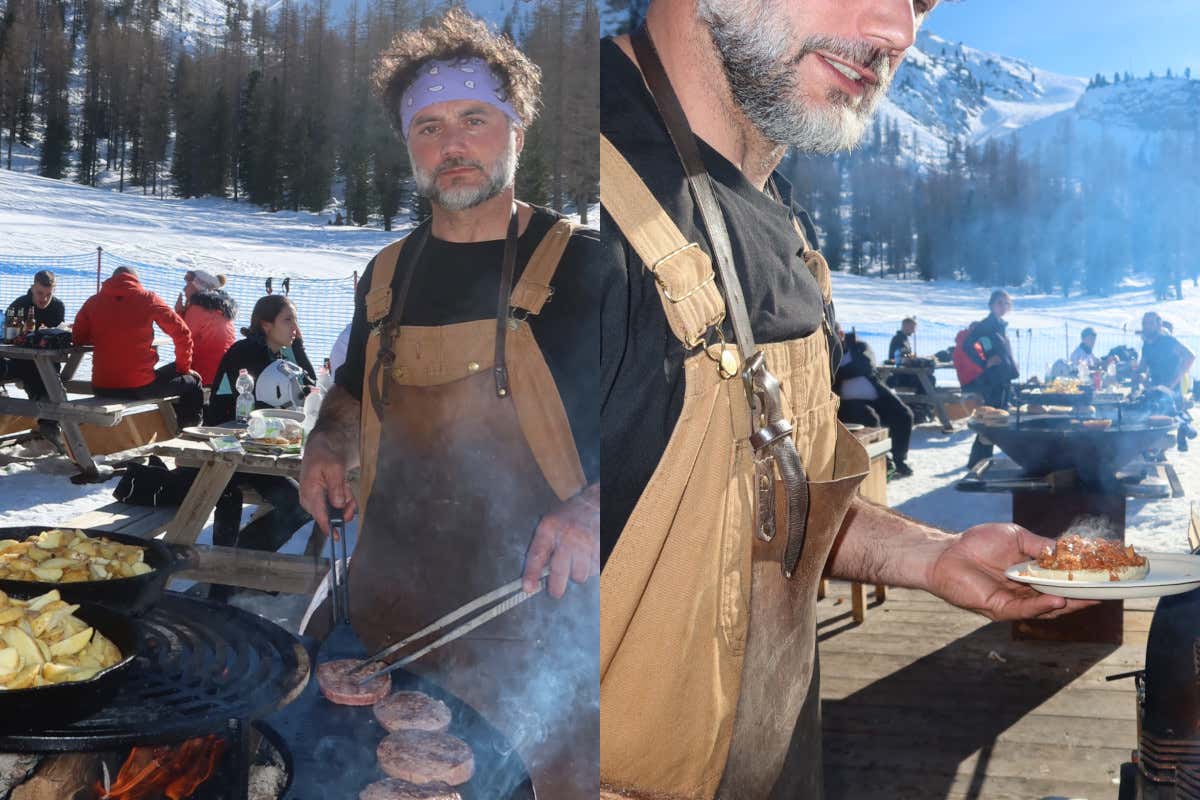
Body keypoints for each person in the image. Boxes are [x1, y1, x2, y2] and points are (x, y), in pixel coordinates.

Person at [598, 3, 1091, 798]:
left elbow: (774, 505)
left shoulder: (779, 217)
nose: (899, 31)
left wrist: (931, 556)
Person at [297, 9, 600, 798]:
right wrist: (328, 442)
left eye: (474, 118)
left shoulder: (590, 272)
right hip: (389, 623)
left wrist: (601, 501)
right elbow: (351, 390)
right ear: (407, 146)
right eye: (428, 127)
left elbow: (675, 431)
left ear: (517, 129)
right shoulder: (385, 275)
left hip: (539, 647)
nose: (452, 144)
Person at [204, 296, 315, 599]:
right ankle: (227, 576)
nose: (295, 328)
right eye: (288, 320)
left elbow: (309, 386)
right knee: (236, 494)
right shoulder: (248, 352)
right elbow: (253, 409)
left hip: (259, 451)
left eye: (295, 321)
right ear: (266, 325)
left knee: (300, 502)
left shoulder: (278, 351)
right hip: (228, 448)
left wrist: (300, 347)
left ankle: (236, 567)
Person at [72, 267, 203, 428]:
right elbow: (182, 333)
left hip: (102, 386)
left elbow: (78, 338)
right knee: (193, 381)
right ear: (135, 280)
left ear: (112, 280)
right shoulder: (148, 299)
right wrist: (184, 368)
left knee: (170, 374)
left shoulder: (93, 301)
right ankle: (188, 431)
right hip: (140, 386)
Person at [834, 324, 914, 476]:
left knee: (904, 415)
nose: (833, 338)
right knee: (871, 420)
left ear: (841, 334)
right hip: (848, 402)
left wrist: (842, 372)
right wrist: (849, 370)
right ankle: (880, 460)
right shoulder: (828, 352)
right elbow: (833, 375)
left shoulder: (859, 346)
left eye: (836, 334)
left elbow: (866, 366)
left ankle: (899, 459)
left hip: (876, 395)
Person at [2, 270, 67, 447]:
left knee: (49, 376)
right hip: (19, 360)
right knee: (35, 373)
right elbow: (7, 338)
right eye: (40, 293)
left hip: (47, 361)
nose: (44, 299)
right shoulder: (18, 305)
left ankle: (51, 423)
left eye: (48, 294)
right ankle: (49, 422)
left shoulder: (57, 307)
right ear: (32, 288)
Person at [962, 289, 1019, 469]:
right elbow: (968, 345)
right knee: (991, 422)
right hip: (993, 379)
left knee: (997, 421)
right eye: (1000, 303)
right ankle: (977, 462)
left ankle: (980, 461)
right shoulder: (986, 325)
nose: (1003, 306)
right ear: (991, 304)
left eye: (1006, 303)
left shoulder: (1000, 325)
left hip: (1004, 377)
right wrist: (984, 361)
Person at [175, 269, 237, 387]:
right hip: (226, 372)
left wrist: (178, 313)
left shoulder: (198, 308)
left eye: (188, 285)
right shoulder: (219, 307)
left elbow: (183, 336)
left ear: (198, 287)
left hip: (205, 374)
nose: (184, 289)